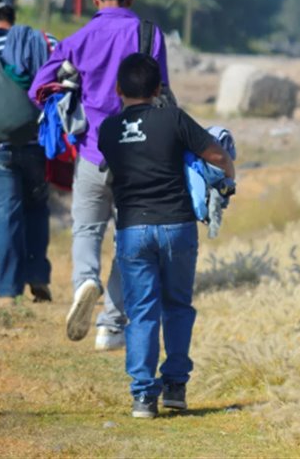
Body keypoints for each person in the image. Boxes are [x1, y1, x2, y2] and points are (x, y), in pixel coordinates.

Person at [30, 0, 170, 350]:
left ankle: (84, 282)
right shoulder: (148, 34)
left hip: (93, 153)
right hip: (139, 159)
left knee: (87, 230)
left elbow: (38, 88)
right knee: (130, 239)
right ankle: (110, 324)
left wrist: (71, 84)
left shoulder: (78, 38)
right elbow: (164, 91)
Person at [98, 53, 235, 418]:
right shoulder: (173, 119)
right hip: (177, 227)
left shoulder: (108, 130)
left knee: (142, 312)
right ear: (159, 88)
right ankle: (175, 387)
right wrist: (229, 176)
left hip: (133, 230)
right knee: (177, 306)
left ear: (118, 89)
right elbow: (217, 155)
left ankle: (144, 397)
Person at [0, 0, 56, 305]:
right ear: (11, 15)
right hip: (36, 143)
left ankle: (8, 290)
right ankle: (37, 276)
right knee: (37, 209)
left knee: (5, 214)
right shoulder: (41, 40)